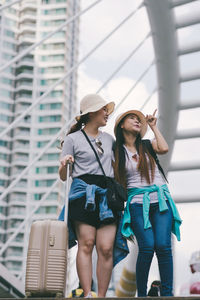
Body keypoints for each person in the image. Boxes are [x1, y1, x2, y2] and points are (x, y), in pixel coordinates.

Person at [114, 109, 182, 297]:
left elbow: (164, 148)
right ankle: (142, 295)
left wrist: (153, 126)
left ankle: (167, 294)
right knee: (146, 246)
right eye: (132, 118)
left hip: (160, 201)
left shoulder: (146, 145)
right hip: (137, 204)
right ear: (121, 125)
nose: (137, 121)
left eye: (139, 119)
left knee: (163, 245)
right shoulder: (117, 151)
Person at [58, 94, 119, 298]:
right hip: (83, 194)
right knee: (87, 244)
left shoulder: (109, 139)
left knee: (106, 247)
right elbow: (63, 176)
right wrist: (65, 162)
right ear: (91, 113)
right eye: (103, 110)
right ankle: (87, 294)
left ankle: (101, 295)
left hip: (107, 195)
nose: (107, 114)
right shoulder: (72, 139)